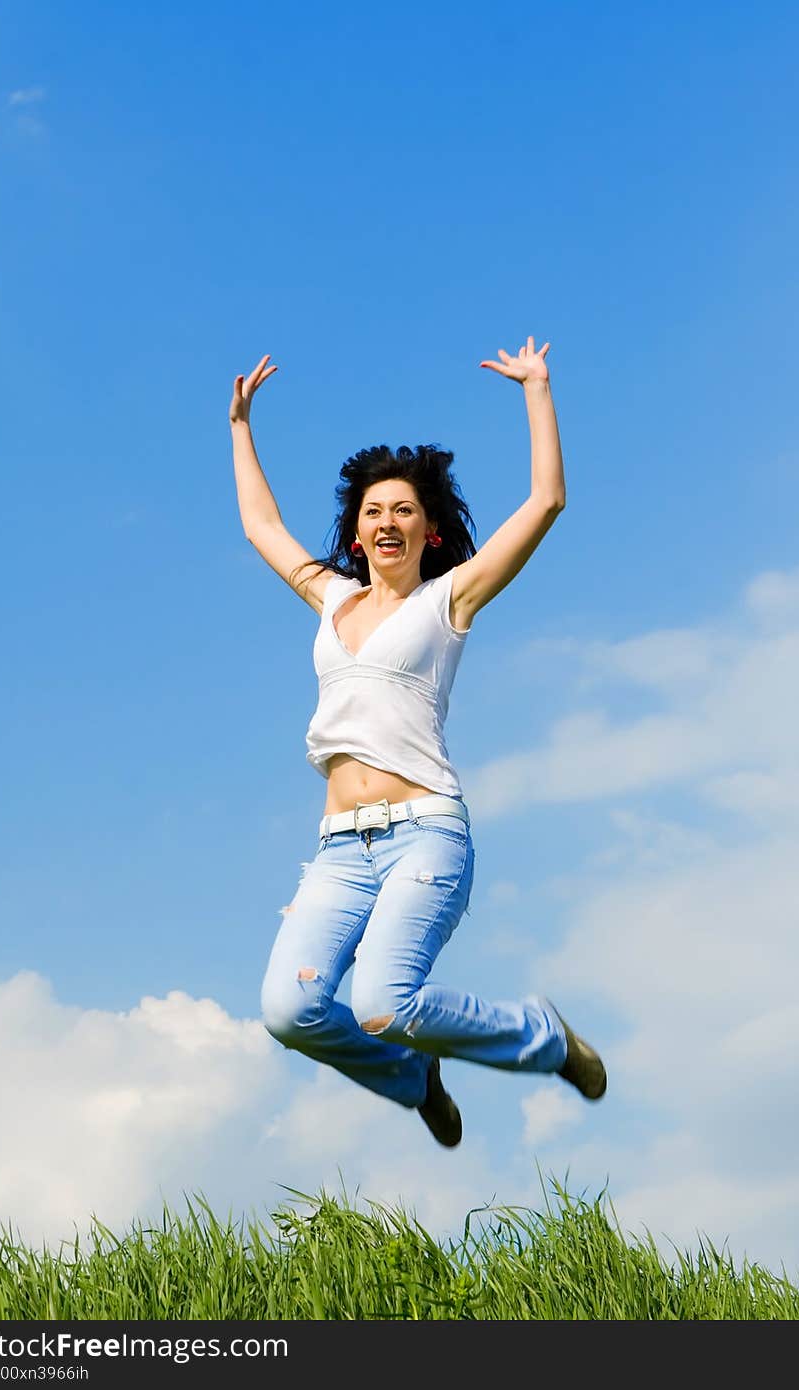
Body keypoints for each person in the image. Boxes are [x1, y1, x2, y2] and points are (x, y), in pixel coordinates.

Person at [229, 336, 606, 1149]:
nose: (386, 520)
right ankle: (412, 1077)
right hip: (336, 850)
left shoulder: (449, 603)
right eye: (373, 511)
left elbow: (545, 502)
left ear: (430, 529)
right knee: (288, 1011)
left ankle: (544, 1038)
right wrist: (240, 427)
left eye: (403, 509)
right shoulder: (329, 599)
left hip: (424, 836)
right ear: (357, 532)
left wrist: (537, 389)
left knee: (385, 1001)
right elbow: (261, 525)